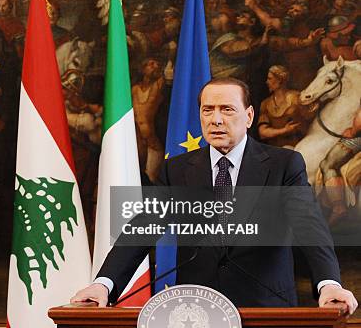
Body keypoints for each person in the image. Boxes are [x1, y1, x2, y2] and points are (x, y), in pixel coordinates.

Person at [70, 78, 358, 315]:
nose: (216, 119)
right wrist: (104, 284)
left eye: (227, 109)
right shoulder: (178, 170)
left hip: (266, 309)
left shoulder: (284, 165)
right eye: (208, 110)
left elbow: (310, 226)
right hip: (197, 312)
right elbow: (143, 227)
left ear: (249, 116)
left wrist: (329, 283)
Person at [258, 65, 316, 148]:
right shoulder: (265, 104)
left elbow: (309, 120)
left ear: (280, 80)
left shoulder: (297, 97)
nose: (267, 82)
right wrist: (285, 130)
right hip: (277, 150)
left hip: (300, 147)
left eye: (270, 79)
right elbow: (262, 132)